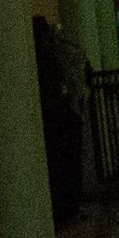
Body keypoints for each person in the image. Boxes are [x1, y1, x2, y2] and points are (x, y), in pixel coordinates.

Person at [31, 14, 88, 224]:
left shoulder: (40, 60)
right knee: (65, 168)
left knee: (59, 169)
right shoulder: (49, 59)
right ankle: (66, 211)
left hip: (56, 122)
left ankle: (65, 210)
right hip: (60, 122)